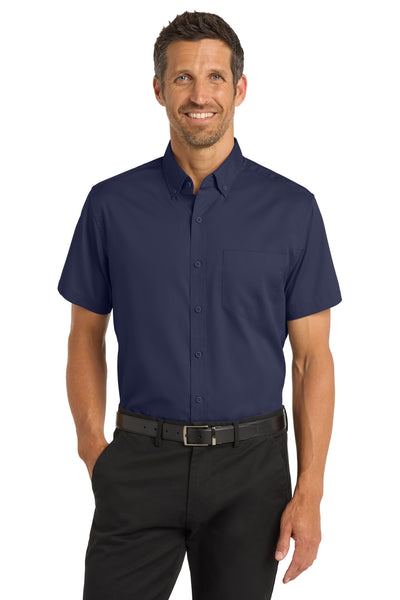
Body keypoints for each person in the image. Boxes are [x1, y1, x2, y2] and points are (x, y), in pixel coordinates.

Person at [57, 10, 342, 600]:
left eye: (215, 76)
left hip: (252, 475)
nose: (199, 94)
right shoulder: (110, 206)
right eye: (182, 77)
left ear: (240, 88)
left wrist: (310, 490)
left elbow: (312, 359)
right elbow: (85, 333)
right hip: (138, 465)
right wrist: (93, 451)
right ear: (158, 89)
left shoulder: (293, 210)